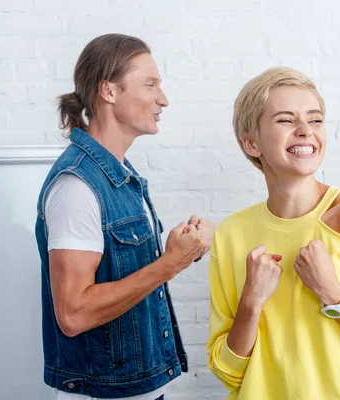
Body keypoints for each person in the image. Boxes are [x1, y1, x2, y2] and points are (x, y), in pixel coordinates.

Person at [206, 67, 340, 400]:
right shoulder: (232, 234)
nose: (305, 131)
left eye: (315, 120)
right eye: (286, 120)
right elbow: (228, 371)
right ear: (251, 142)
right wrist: (251, 302)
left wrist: (335, 295)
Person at [35, 33, 214, 400]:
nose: (163, 98)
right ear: (109, 91)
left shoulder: (120, 175)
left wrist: (178, 251)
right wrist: (170, 263)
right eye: (150, 84)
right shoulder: (78, 187)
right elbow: (73, 314)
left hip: (136, 389)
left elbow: (122, 274)